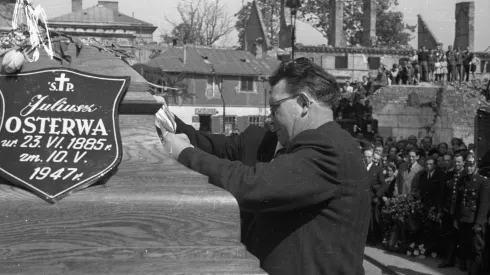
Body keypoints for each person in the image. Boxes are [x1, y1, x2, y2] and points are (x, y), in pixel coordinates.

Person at [158, 57, 370, 275]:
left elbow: (252, 185)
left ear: (304, 104)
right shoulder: (325, 143)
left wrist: (184, 153)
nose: (270, 118)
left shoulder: (327, 147)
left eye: (275, 107)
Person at [453, 155, 490, 274]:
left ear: (476, 166)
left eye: (471, 165)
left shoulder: (483, 181)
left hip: (475, 221)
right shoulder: (462, 180)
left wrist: (479, 223)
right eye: (467, 165)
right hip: (464, 220)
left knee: (477, 249)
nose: (469, 167)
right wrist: (456, 218)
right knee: (466, 247)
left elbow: (484, 204)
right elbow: (459, 201)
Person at [364, 148, 388, 246]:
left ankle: (372, 239)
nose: (367, 158)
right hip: (363, 198)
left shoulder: (377, 169)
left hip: (372, 198)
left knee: (372, 220)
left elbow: (383, 184)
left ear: (372, 157)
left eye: (369, 157)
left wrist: (377, 196)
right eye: (365, 156)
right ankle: (365, 238)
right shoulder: (361, 167)